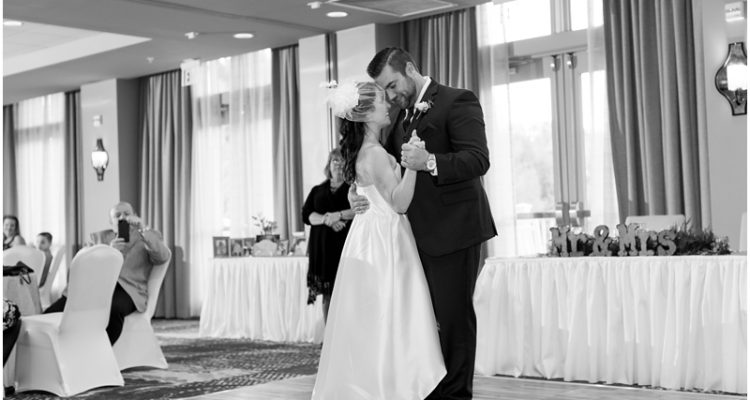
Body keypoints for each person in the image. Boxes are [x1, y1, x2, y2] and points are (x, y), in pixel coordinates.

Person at [349, 47, 498, 400]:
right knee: (422, 323)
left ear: (410, 69)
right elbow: (380, 169)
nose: (389, 96)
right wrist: (357, 193)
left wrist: (430, 160)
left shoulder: (457, 100)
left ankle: (457, 395)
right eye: (384, 90)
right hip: (411, 238)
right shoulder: (399, 117)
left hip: (454, 231)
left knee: (453, 321)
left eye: (392, 85)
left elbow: (478, 159)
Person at [312, 81, 445, 400]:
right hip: (385, 238)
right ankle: (393, 385)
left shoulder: (362, 152)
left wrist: (354, 192)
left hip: (367, 236)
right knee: (392, 312)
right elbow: (399, 203)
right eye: (383, 102)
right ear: (367, 113)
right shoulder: (375, 155)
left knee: (374, 317)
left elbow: (363, 188)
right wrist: (412, 166)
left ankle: (377, 383)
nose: (389, 105)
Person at [45, 201, 170, 345]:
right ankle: (55, 346)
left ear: (135, 216)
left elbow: (163, 257)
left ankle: (99, 350)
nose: (122, 217)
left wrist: (142, 229)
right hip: (96, 286)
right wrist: (109, 251)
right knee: (55, 311)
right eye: (117, 215)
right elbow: (83, 265)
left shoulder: (148, 236)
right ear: (111, 222)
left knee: (114, 310)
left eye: (127, 214)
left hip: (128, 289)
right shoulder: (98, 238)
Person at [301, 148, 353, 322]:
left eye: (342, 160)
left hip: (345, 249)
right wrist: (326, 219)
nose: (338, 164)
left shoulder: (352, 188)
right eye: (335, 160)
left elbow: (359, 211)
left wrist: (338, 215)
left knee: (347, 293)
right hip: (322, 251)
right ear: (328, 165)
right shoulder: (317, 190)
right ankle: (329, 333)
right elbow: (306, 215)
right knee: (328, 295)